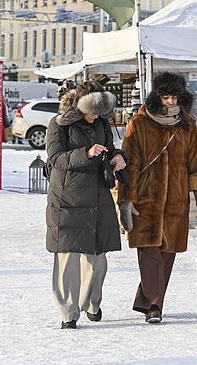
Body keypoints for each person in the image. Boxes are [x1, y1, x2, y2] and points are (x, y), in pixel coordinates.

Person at [118, 72, 197, 324]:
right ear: (157, 97)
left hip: (176, 200)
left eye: (175, 97)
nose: (170, 102)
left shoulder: (188, 125)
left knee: (167, 253)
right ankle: (154, 305)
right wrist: (126, 200)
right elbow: (130, 164)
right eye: (166, 97)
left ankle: (146, 298)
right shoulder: (139, 123)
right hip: (145, 198)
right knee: (148, 251)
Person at [45, 80, 127, 329]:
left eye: (99, 112)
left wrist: (118, 157)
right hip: (67, 199)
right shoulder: (58, 124)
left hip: (98, 196)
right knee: (68, 257)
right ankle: (68, 312)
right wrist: (87, 153)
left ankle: (91, 301)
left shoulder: (102, 122)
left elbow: (110, 148)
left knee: (97, 257)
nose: (94, 117)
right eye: (90, 112)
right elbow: (55, 159)